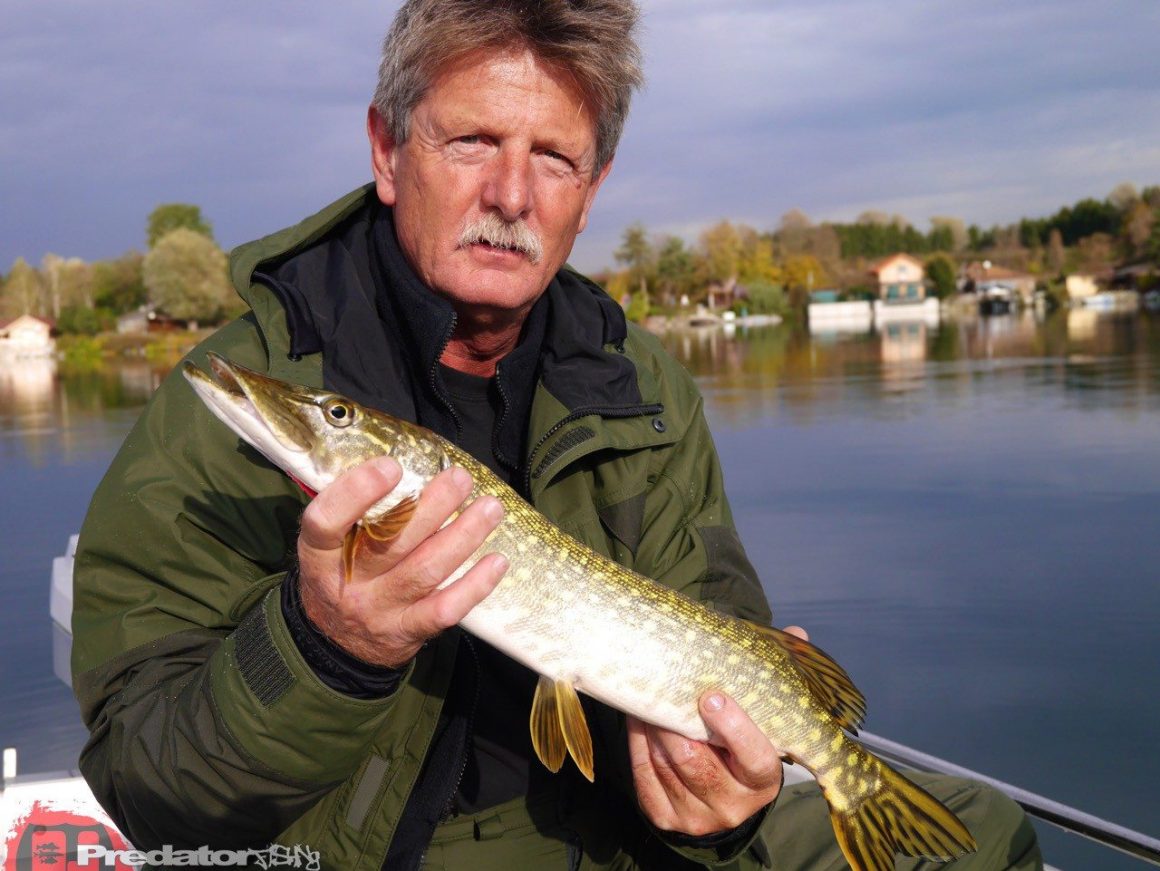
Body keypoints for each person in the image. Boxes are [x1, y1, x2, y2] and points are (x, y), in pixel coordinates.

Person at [72, 1, 1042, 868]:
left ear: (593, 186)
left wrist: (718, 807)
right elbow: (151, 794)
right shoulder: (227, 405)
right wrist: (326, 647)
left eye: (553, 157)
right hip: (365, 850)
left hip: (614, 831)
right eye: (472, 141)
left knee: (985, 836)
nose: (511, 194)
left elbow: (714, 626)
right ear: (386, 150)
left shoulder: (638, 384)